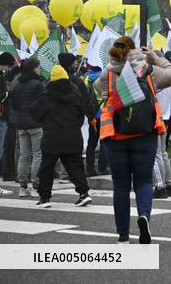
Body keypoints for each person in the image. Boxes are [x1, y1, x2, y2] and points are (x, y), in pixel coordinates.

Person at [95, 37, 171, 244]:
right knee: (143, 181)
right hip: (145, 134)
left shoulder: (107, 75)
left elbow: (97, 88)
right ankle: (143, 216)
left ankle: (123, 235)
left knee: (121, 185)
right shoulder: (148, 70)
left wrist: (112, 66)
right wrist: (155, 58)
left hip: (114, 136)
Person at [29, 64, 92, 208]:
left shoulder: (46, 95)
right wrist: (74, 126)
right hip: (73, 136)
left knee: (47, 168)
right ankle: (84, 193)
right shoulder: (75, 93)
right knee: (75, 166)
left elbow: (34, 112)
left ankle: (45, 198)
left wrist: (45, 122)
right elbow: (81, 113)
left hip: (52, 137)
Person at [10, 56, 44, 197]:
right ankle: (36, 186)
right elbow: (42, 104)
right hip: (35, 123)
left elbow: (14, 105)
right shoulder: (38, 84)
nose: (40, 69)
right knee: (37, 154)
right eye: (38, 67)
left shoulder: (16, 85)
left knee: (24, 155)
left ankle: (22, 187)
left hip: (21, 124)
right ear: (34, 68)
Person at [80, 60, 107, 177]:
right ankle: (102, 167)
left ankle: (89, 168)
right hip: (104, 114)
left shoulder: (87, 79)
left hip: (92, 116)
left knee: (91, 143)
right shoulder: (103, 78)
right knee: (105, 142)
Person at [152, 77, 171, 199]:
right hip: (166, 117)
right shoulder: (170, 81)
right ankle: (168, 184)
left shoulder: (157, 81)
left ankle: (160, 187)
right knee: (163, 153)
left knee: (157, 154)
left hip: (156, 119)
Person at [0, 52, 14, 195]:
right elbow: (1, 96)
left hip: (2, 118)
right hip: (0, 117)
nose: (9, 69)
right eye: (8, 66)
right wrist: (7, 93)